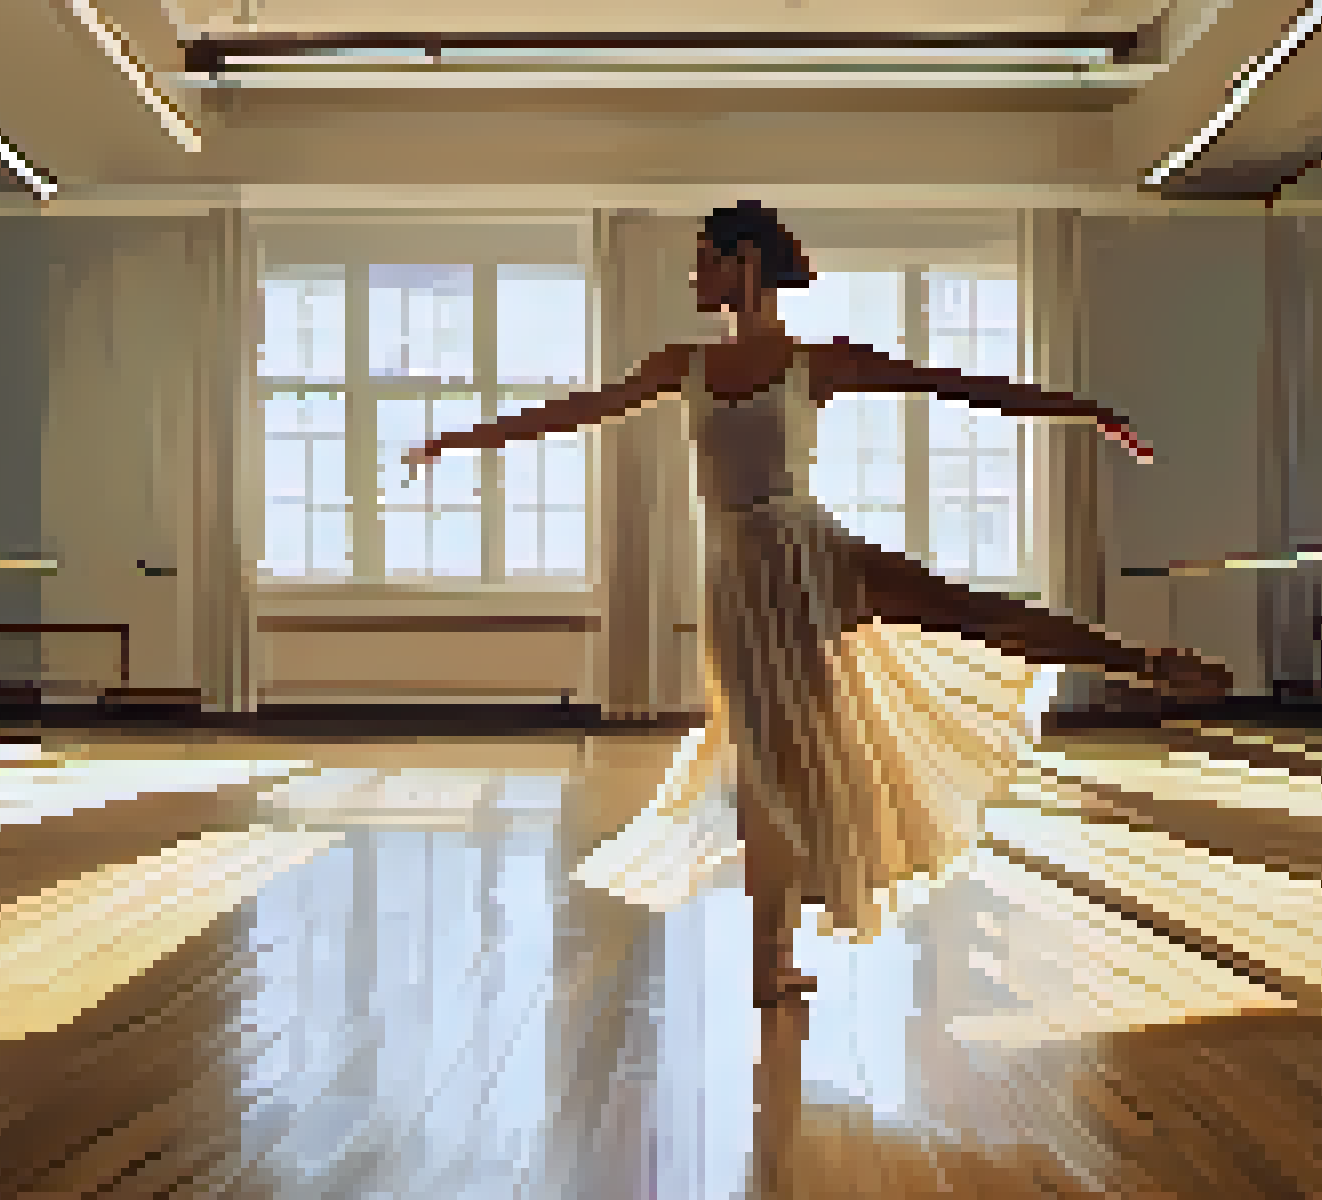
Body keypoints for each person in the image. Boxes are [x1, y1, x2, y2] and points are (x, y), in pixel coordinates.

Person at [402, 201, 1230, 1015]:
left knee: (967, 611)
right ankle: (771, 969)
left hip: (804, 550)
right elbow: (572, 412)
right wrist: (456, 440)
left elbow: (955, 386)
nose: (693, 275)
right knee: (767, 772)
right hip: (738, 580)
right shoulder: (679, 365)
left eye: (705, 259)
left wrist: (1086, 412)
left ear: (744, 264)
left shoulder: (816, 362)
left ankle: (1147, 664)